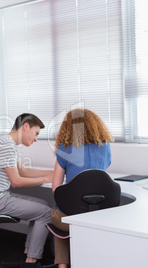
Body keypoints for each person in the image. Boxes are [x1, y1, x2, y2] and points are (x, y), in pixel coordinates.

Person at [0, 113, 54, 268]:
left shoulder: (6, 141)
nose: (36, 138)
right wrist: (45, 180)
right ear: (26, 127)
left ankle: (29, 250)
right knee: (45, 212)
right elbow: (16, 181)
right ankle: (32, 260)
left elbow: (22, 171)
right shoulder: (6, 145)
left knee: (44, 203)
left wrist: (51, 173)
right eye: (36, 133)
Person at [51, 108, 113, 268]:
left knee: (58, 213)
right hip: (99, 215)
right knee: (66, 213)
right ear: (95, 125)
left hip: (73, 217)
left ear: (67, 127)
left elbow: (56, 190)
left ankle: (62, 265)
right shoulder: (105, 147)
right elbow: (99, 176)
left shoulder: (64, 149)